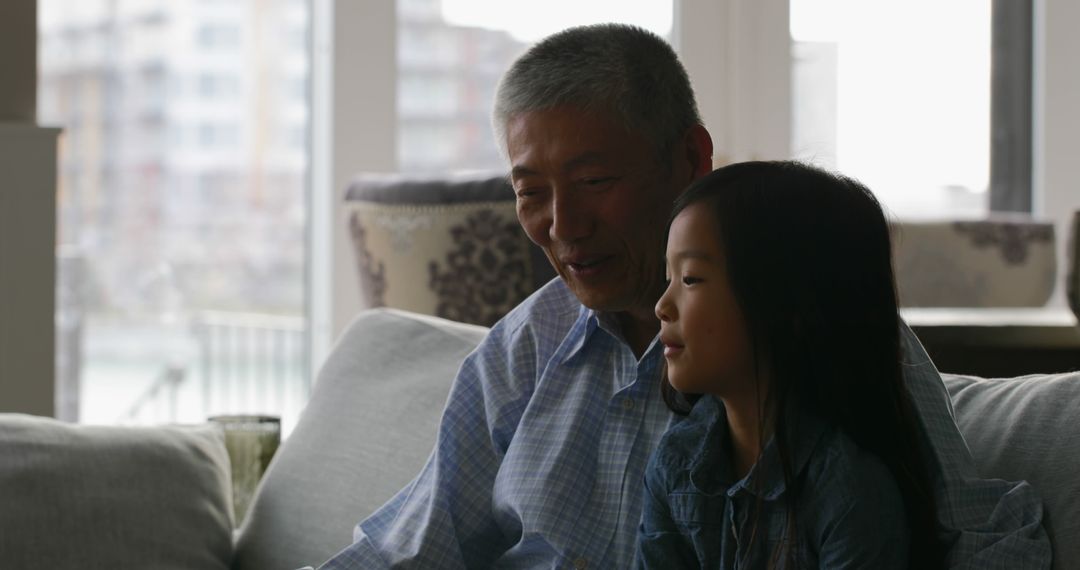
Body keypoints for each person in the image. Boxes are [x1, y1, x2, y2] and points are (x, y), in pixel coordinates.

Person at [317, 24, 1049, 569]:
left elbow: (972, 531)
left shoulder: (813, 336)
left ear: (691, 159)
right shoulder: (526, 348)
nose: (563, 227)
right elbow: (407, 548)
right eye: (531, 193)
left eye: (596, 182)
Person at [638, 161, 944, 569]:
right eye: (667, 277)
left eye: (691, 279)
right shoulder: (677, 462)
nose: (662, 306)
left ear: (790, 305)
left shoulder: (851, 488)